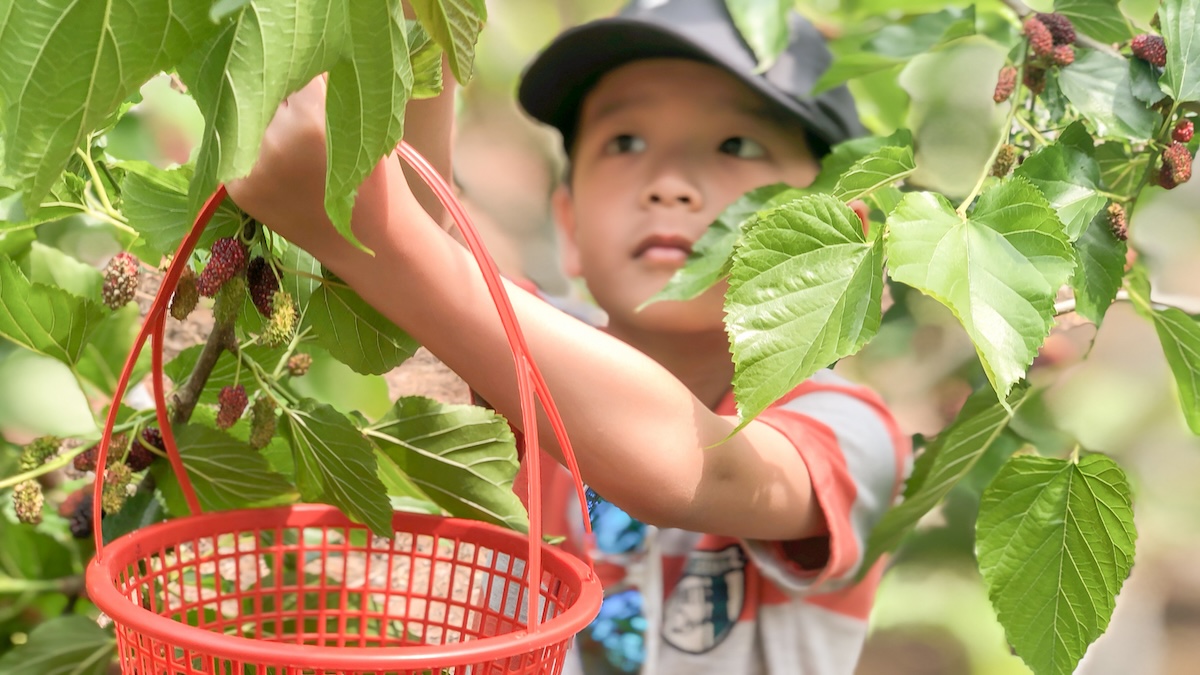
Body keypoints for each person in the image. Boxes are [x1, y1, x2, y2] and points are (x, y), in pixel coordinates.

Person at [228, 1, 911, 673]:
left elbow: (698, 467)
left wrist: (376, 233)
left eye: (737, 144)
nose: (669, 184)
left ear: (839, 237)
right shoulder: (520, 345)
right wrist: (417, 18)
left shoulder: (850, 431)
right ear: (567, 222)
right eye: (626, 142)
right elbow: (422, 225)